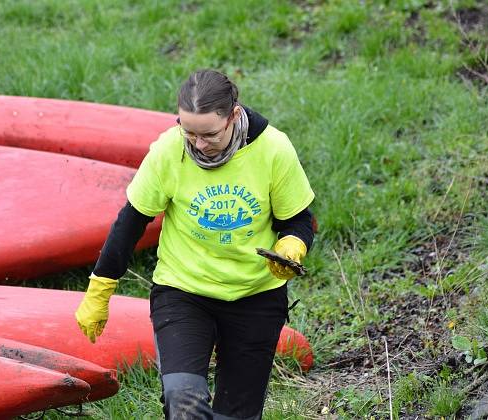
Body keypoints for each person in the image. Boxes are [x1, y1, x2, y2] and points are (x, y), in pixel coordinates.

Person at [75, 69, 315, 419]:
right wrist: (101, 287)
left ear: (233, 116)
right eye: (188, 131)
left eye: (209, 134)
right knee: (183, 400)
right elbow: (131, 222)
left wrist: (292, 244)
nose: (198, 144)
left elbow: (298, 219)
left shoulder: (273, 149)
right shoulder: (170, 150)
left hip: (255, 296)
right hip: (184, 291)